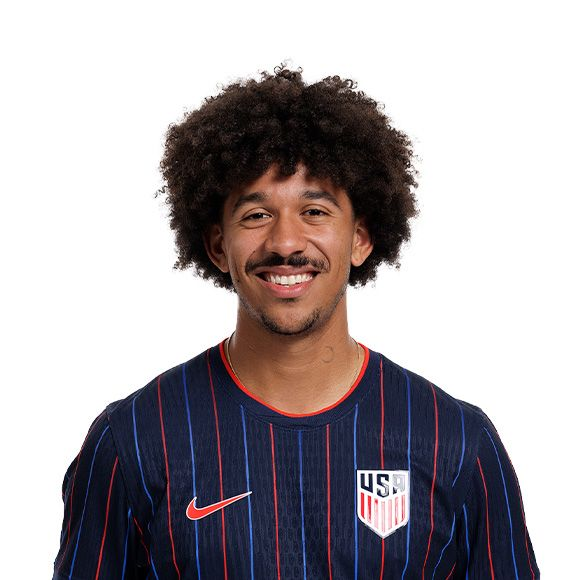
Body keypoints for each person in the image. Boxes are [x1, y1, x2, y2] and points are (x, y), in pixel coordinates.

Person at [53, 65, 540, 579]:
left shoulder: (456, 441)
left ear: (360, 239)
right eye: (256, 215)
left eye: (315, 211)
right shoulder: (133, 439)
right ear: (218, 246)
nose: (285, 243)